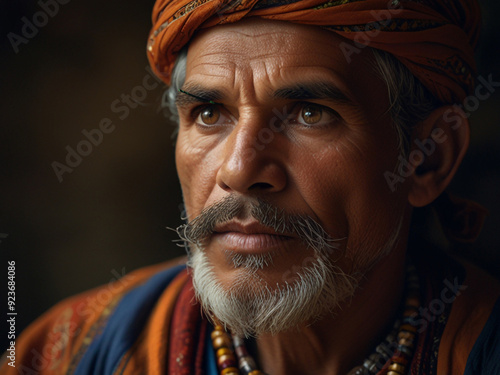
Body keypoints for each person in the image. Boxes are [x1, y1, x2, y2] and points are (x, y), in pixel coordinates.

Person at [2, 0, 500, 374]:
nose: (240, 170)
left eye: (310, 114)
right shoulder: (69, 352)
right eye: (209, 113)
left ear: (428, 157)